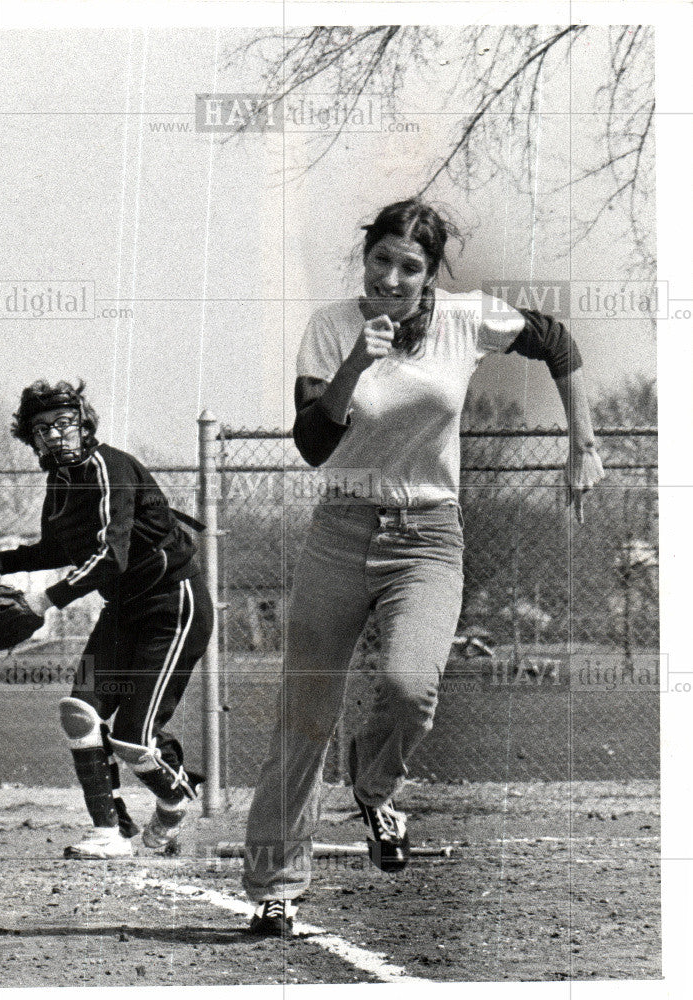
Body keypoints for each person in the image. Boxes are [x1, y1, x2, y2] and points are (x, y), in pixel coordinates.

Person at [243, 199, 605, 935]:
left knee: (410, 689)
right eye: (381, 259)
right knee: (305, 716)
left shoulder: (468, 319)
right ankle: (277, 884)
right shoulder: (331, 328)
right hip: (342, 529)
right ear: (366, 258)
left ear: (429, 273)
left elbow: (559, 344)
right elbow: (314, 444)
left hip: (429, 535)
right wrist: (357, 361)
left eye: (410, 266)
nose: (392, 277)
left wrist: (584, 444)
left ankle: (374, 790)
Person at [0, 380, 213, 859]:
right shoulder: (60, 482)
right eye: (42, 429)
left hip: (171, 604)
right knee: (79, 713)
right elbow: (59, 549)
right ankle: (109, 831)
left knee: (132, 741)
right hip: (124, 610)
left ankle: (177, 794)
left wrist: (45, 601)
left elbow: (109, 557)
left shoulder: (108, 469)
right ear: (31, 439)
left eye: (63, 423)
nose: (55, 435)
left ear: (83, 423)